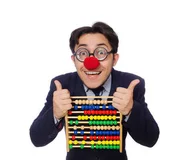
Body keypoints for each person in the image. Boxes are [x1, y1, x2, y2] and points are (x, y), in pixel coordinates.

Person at [29, 22, 160, 160]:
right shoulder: (62, 85)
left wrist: (131, 110)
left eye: (101, 52)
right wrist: (55, 113)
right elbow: (37, 139)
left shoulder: (130, 84)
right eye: (83, 53)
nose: (91, 63)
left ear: (114, 59)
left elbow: (150, 140)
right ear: (74, 60)